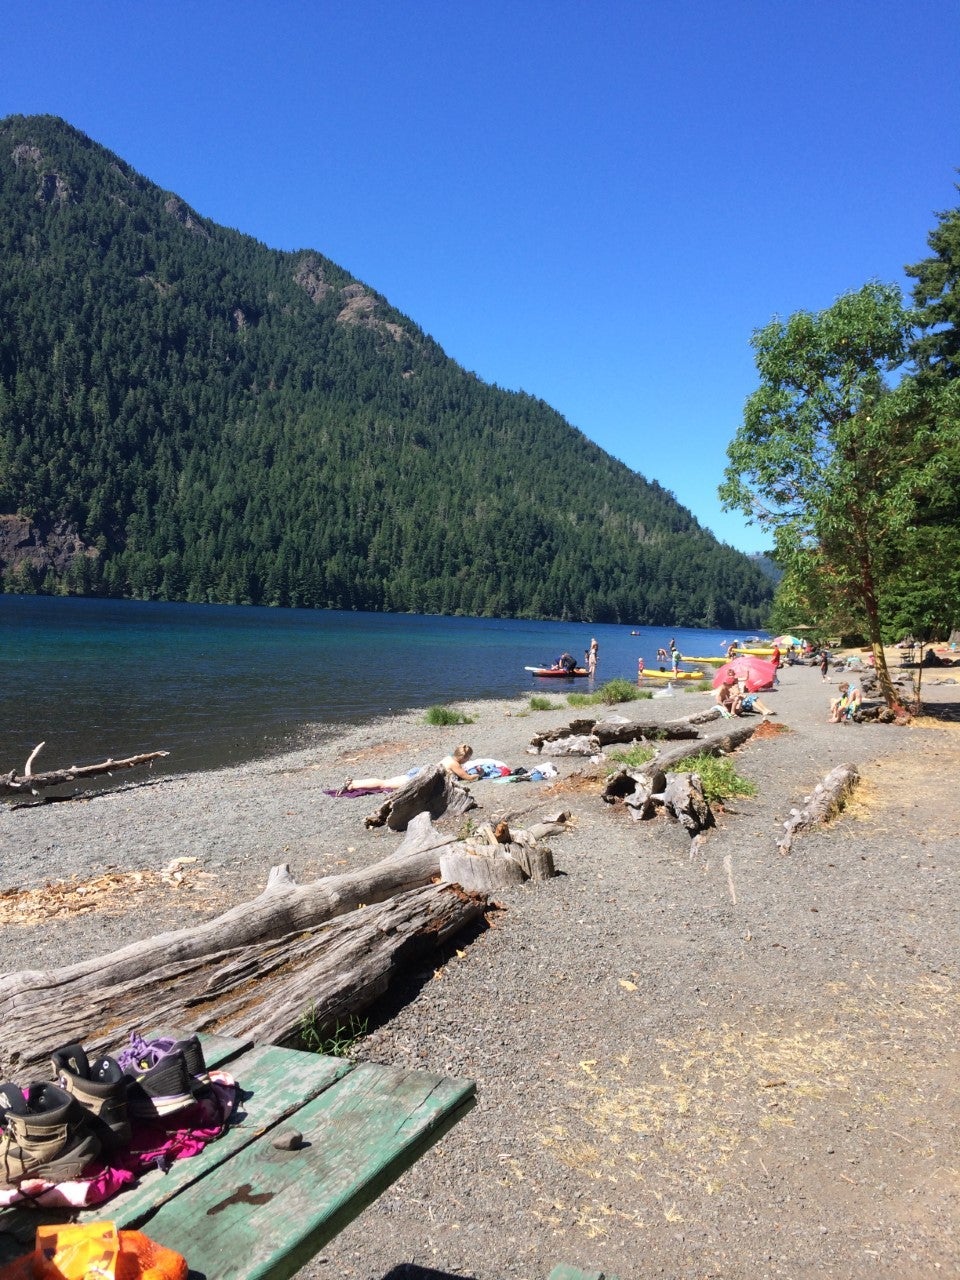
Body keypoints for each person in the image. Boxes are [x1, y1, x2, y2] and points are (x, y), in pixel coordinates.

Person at [345, 744, 475, 791]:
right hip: (421, 777)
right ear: (464, 757)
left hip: (421, 772)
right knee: (384, 784)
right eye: (468, 758)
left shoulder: (449, 758)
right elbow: (468, 778)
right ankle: (354, 784)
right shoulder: (455, 764)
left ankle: (355, 783)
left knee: (387, 782)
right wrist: (478, 774)